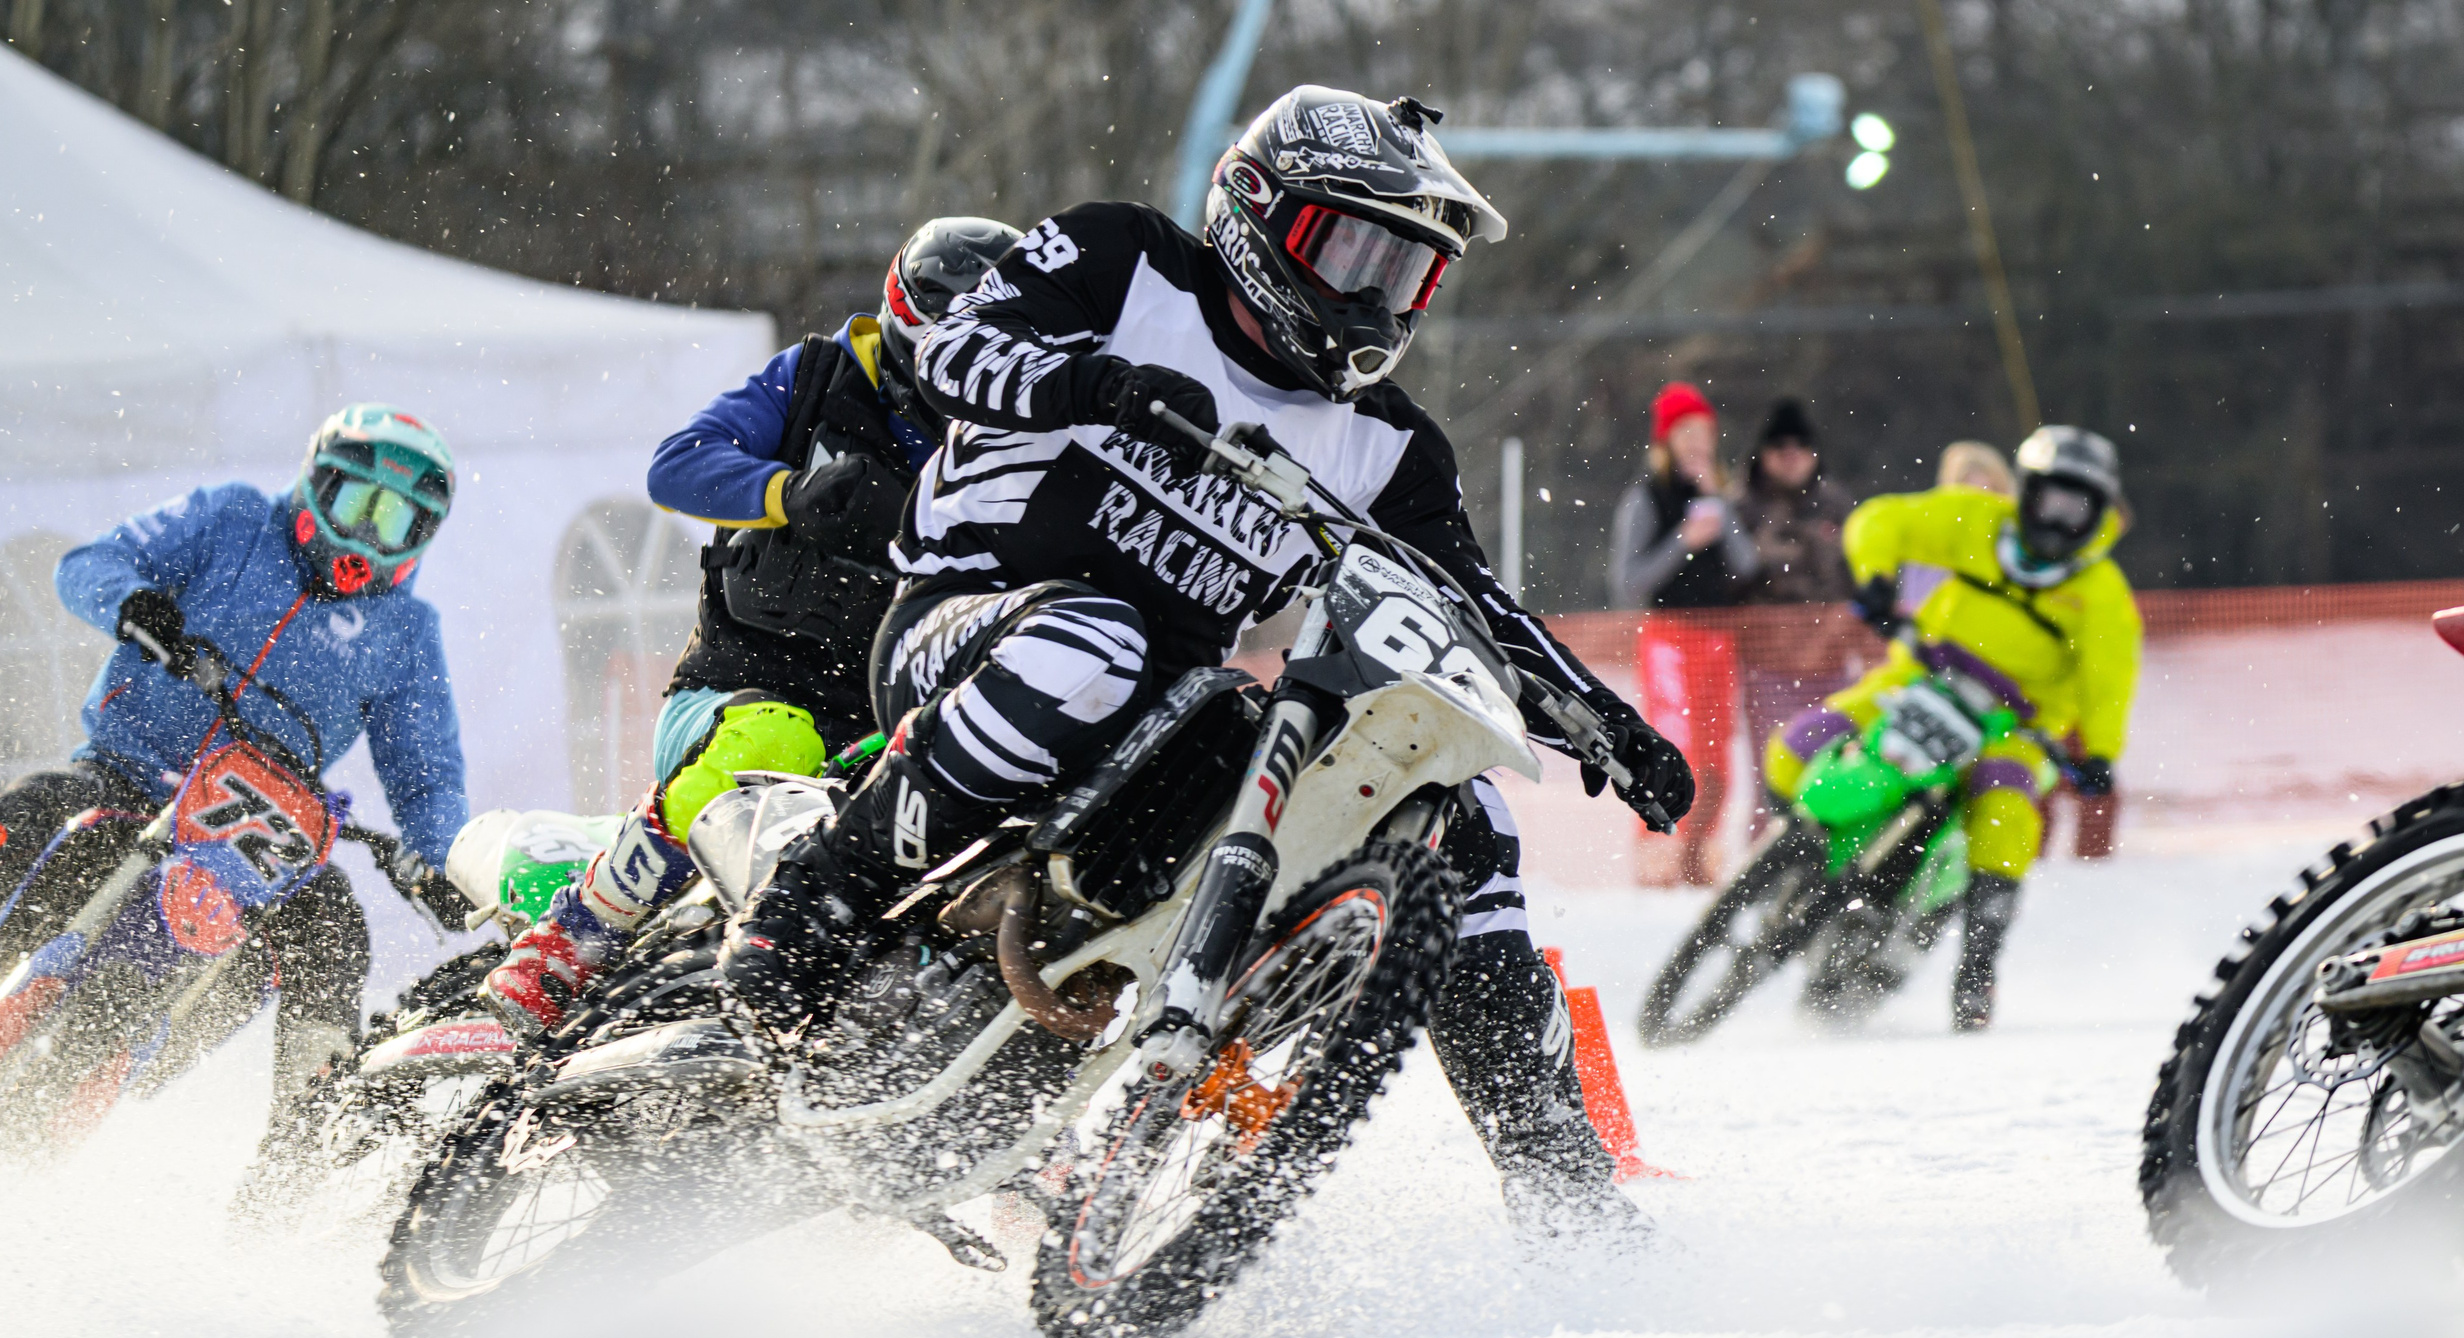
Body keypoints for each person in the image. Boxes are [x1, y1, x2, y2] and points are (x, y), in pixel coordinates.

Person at [719, 87, 1696, 1246]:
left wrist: (1602, 723)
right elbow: (957, 355)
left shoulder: (1386, 444)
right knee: (1100, 637)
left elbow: (1471, 604)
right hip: (967, 617)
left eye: (1407, 274)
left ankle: (1559, 1179)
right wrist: (1095, 385)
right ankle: (820, 894)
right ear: (1254, 209)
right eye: (1350, 251)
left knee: (1461, 815)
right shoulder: (1122, 258)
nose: (1371, 296)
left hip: (1175, 707)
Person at [480, 216, 1026, 1036]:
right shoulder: (815, 376)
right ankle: (573, 936)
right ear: (916, 329)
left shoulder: (1023, 446)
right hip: (733, 693)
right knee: (775, 740)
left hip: (879, 733)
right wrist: (788, 493)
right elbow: (679, 461)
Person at [0, 405, 471, 1127]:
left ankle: (302, 1134)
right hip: (133, 771)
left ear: (421, 539)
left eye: (394, 521)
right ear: (313, 485)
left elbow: (427, 775)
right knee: (28, 811)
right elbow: (88, 565)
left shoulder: (408, 634)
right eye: (355, 503)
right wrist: (135, 604)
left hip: (258, 836)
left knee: (333, 926)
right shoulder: (231, 517)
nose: (365, 534)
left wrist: (438, 859)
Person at [1762, 426, 2141, 1030]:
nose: (2060, 520)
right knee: (1795, 745)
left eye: (2079, 507)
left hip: (2012, 726)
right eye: (2051, 500)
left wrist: (2099, 752)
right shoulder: (1978, 522)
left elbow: (2109, 680)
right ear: (2029, 492)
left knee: (2006, 811)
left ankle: (1978, 965)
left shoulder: (2100, 593)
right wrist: (1877, 572)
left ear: (2098, 512)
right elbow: (1885, 521)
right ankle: (1784, 860)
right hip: (1919, 677)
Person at [1611, 382, 1755, 885]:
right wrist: (1682, 542)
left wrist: (1721, 506)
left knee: (1718, 751)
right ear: (1667, 440)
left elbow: (1747, 566)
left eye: (1706, 433)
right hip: (1668, 636)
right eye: (1687, 432)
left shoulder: (1719, 495)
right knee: (1675, 743)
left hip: (1719, 637)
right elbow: (1630, 583)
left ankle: (1699, 858)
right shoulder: (1645, 498)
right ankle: (1658, 859)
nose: (1698, 443)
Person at [1733, 398, 1859, 818]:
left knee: (1835, 764)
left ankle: (1831, 853)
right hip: (1767, 665)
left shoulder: (1837, 506)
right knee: (1770, 772)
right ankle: (1768, 856)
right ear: (1762, 454)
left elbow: (1860, 575)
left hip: (1830, 661)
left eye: (1800, 447)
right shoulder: (1742, 508)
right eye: (1779, 448)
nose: (1791, 457)